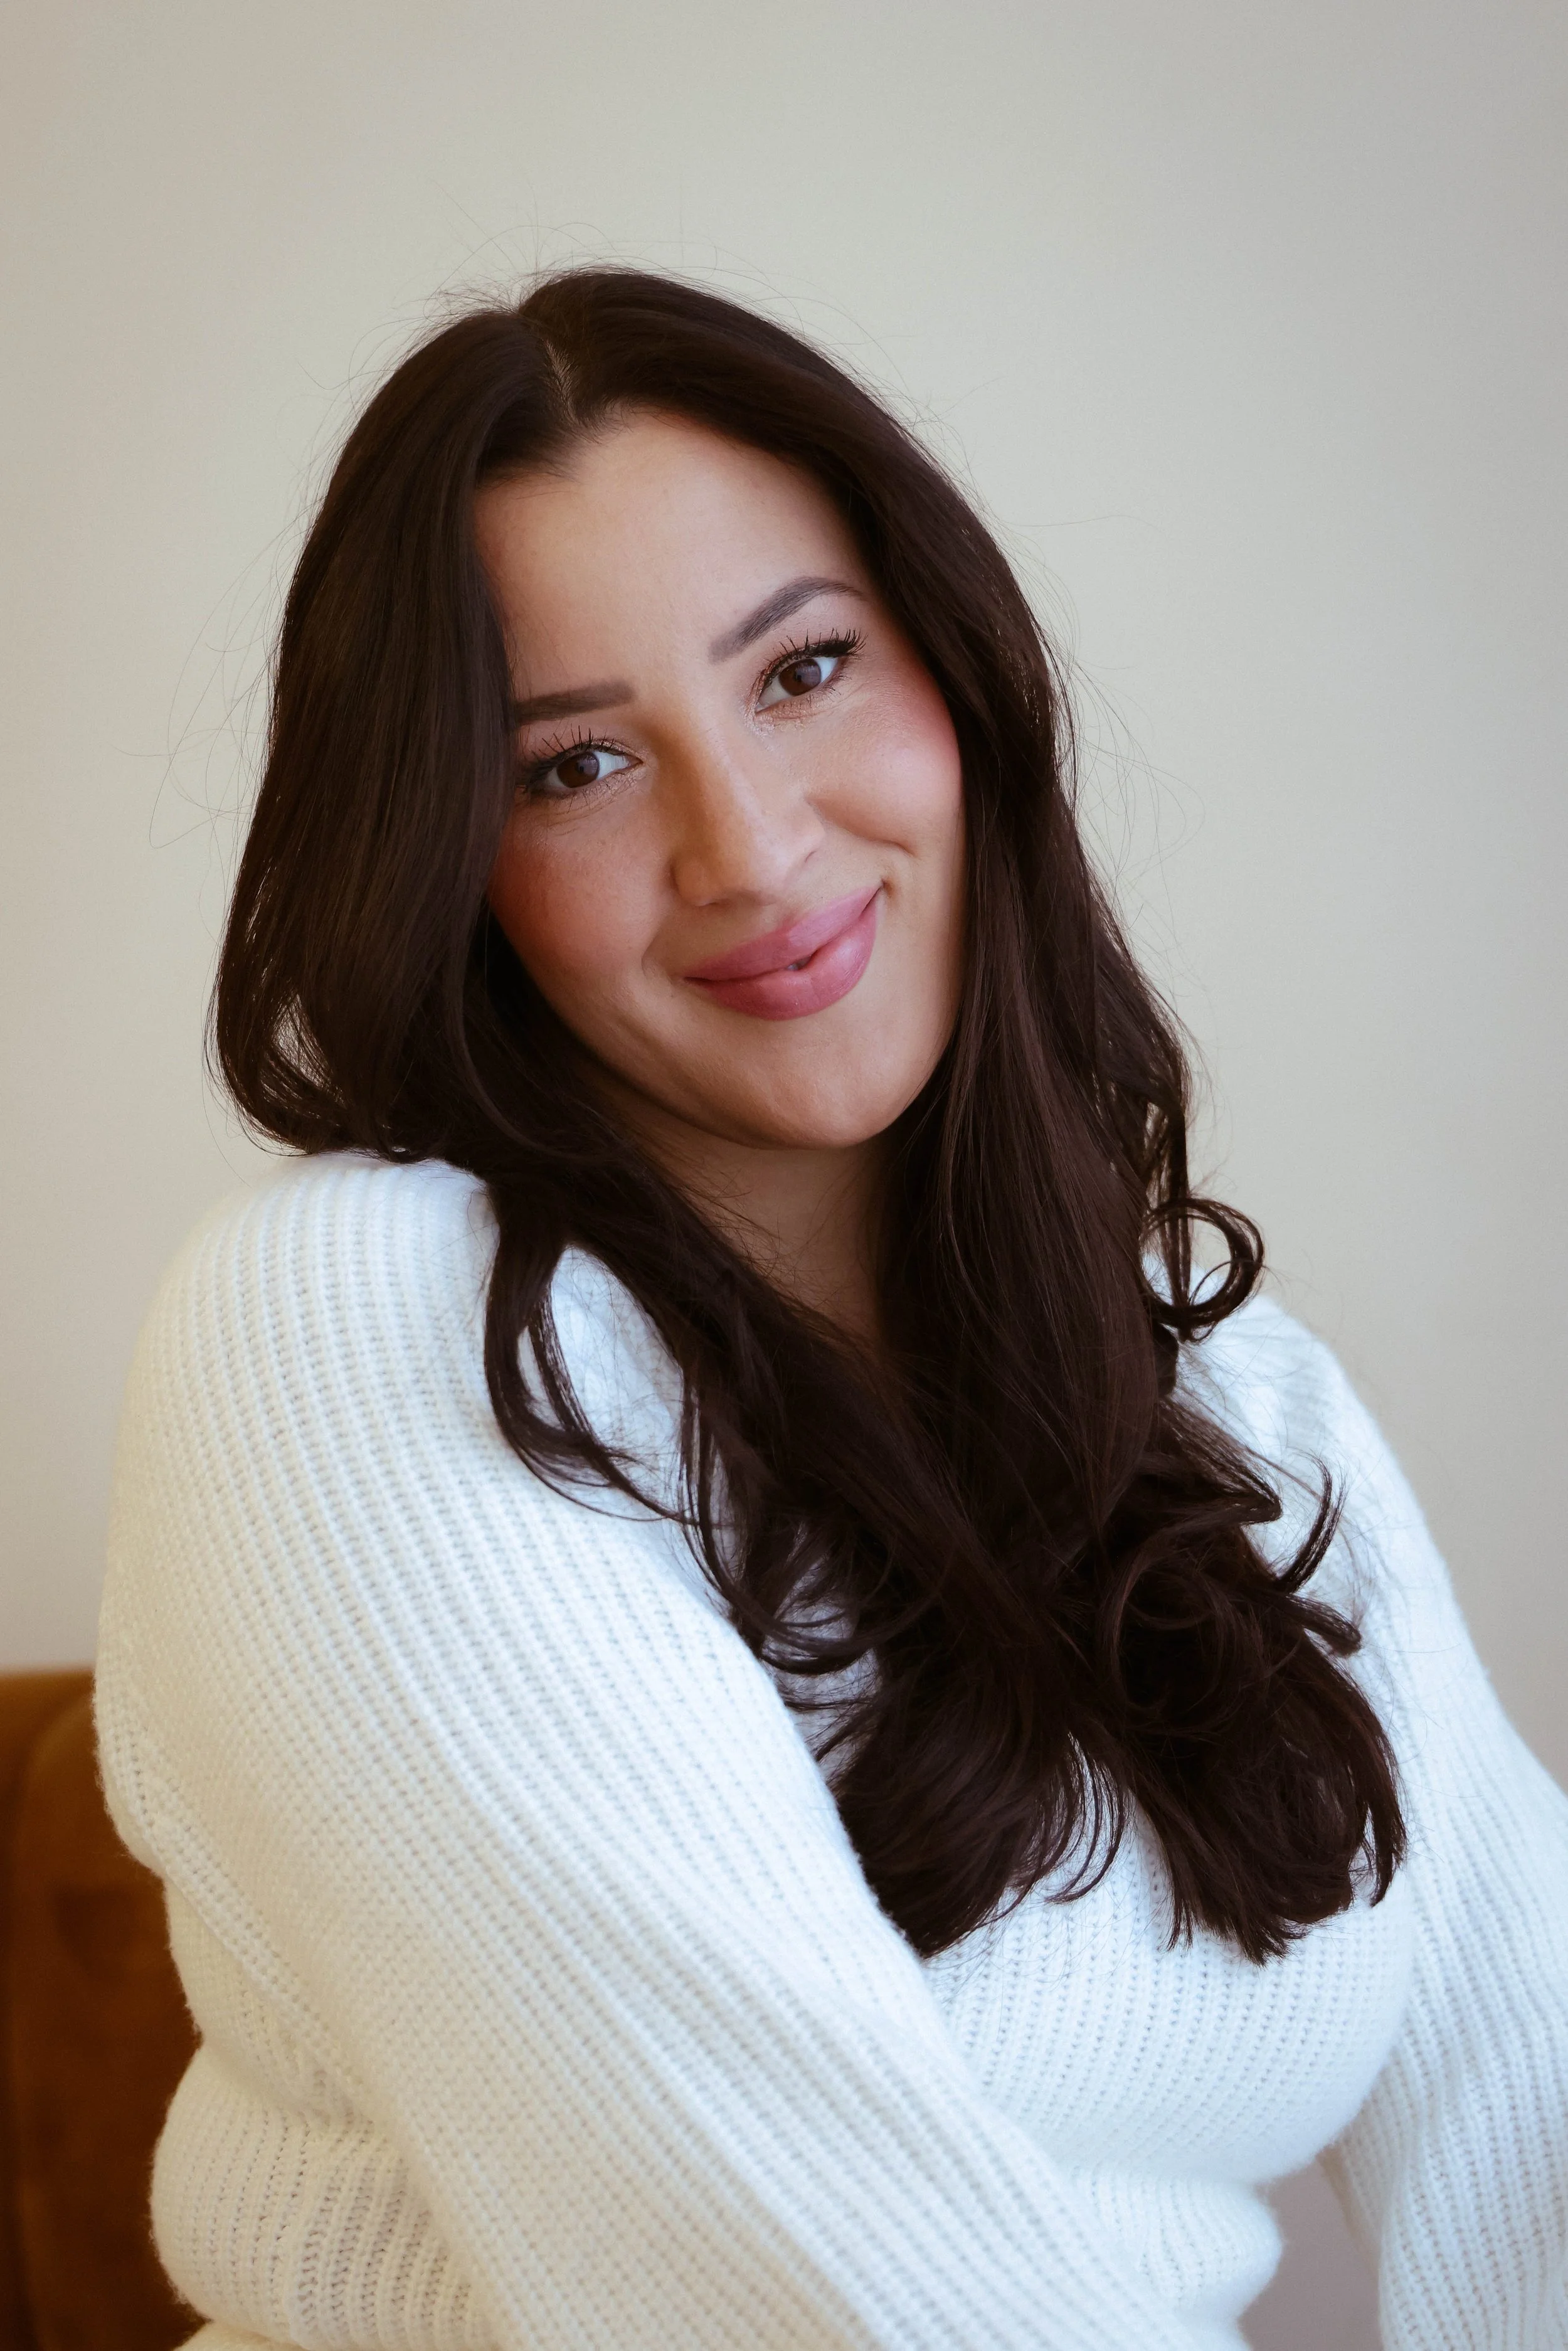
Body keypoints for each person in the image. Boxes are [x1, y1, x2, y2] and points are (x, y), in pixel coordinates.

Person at [97, 269, 1568, 2351]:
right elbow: (810, 2293)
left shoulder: (1232, 1395)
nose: (753, 844)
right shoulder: (348, 1319)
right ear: (446, 855)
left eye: (800, 671)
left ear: (952, 685)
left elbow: (1531, 2100)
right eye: (577, 765)